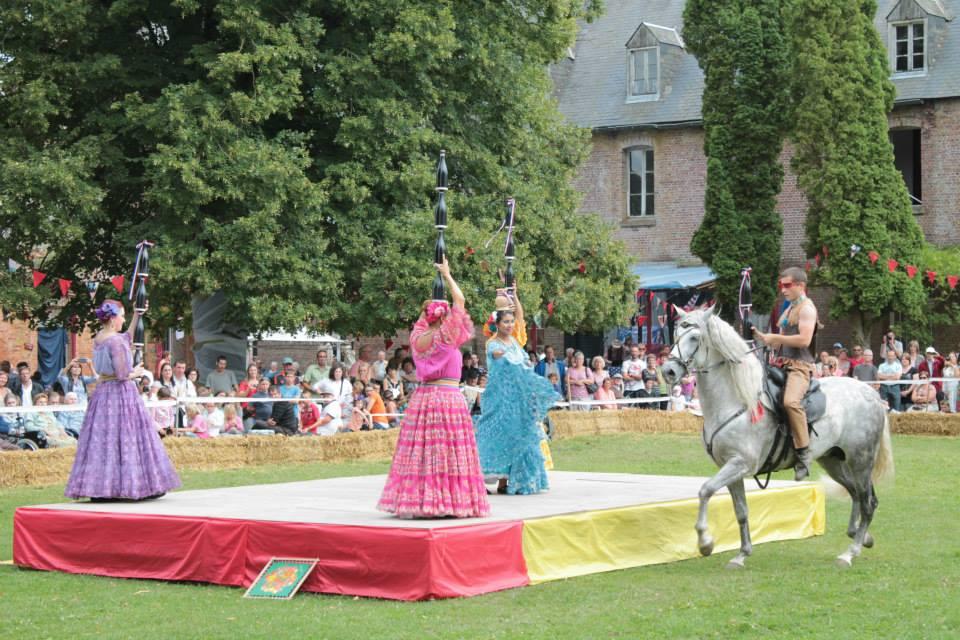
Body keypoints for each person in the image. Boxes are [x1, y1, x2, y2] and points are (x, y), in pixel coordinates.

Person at [377, 258, 489, 518]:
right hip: (448, 398)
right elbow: (460, 301)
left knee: (423, 451)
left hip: (424, 397)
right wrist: (447, 275)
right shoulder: (445, 336)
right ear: (444, 317)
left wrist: (432, 306)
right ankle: (449, 501)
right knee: (448, 450)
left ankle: (422, 501)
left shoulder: (417, 338)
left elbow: (423, 317)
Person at [65, 300, 180, 501]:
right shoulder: (115, 342)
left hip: (103, 393)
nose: (123, 319)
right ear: (112, 319)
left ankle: (102, 489)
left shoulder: (100, 338)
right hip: (121, 393)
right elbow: (121, 373)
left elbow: (126, 337)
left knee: (104, 440)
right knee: (129, 437)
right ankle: (139, 485)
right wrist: (134, 372)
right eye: (122, 316)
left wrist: (137, 315)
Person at [474, 284, 559, 496]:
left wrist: (515, 295)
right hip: (500, 398)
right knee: (497, 435)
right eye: (506, 321)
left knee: (518, 435)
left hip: (518, 399)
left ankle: (508, 481)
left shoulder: (515, 340)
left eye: (511, 322)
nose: (510, 325)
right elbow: (502, 359)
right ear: (497, 324)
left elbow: (520, 316)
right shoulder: (493, 344)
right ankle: (482, 479)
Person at [752, 267, 818, 481]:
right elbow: (778, 338)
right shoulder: (789, 308)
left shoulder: (807, 309)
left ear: (800, 285)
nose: (783, 290)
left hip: (800, 366)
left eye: (787, 285)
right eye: (781, 285)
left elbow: (804, 341)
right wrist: (763, 337)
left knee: (790, 402)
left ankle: (804, 454)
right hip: (780, 363)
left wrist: (776, 339)